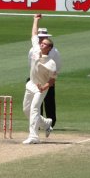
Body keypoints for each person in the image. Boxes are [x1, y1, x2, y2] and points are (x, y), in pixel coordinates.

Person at [22, 14, 57, 144]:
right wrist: (35, 20)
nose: (41, 44)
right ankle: (46, 123)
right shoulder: (36, 49)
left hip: (41, 88)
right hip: (31, 84)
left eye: (44, 44)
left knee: (34, 109)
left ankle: (34, 136)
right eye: (41, 43)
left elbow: (53, 80)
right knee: (26, 110)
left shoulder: (51, 63)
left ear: (49, 48)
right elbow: (34, 34)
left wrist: (44, 87)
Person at [28, 27, 61, 129]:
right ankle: (38, 124)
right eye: (40, 37)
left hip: (47, 78)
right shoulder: (33, 49)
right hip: (35, 79)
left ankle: (51, 122)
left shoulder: (54, 51)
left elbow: (57, 66)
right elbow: (31, 63)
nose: (41, 39)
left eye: (43, 37)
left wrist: (49, 79)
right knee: (34, 104)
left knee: (49, 101)